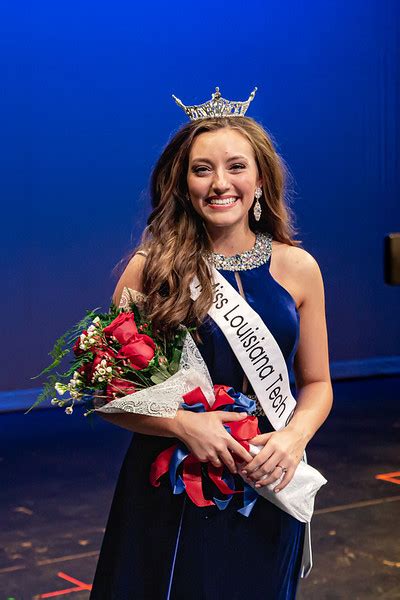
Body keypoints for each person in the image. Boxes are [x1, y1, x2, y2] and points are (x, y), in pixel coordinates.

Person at [90, 88, 333, 599]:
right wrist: (182, 424)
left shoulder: (299, 268)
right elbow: (104, 391)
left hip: (267, 480)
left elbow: (317, 383)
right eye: (202, 170)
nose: (220, 183)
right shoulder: (150, 267)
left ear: (261, 178)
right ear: (183, 183)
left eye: (236, 167)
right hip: (171, 484)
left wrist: (292, 439)